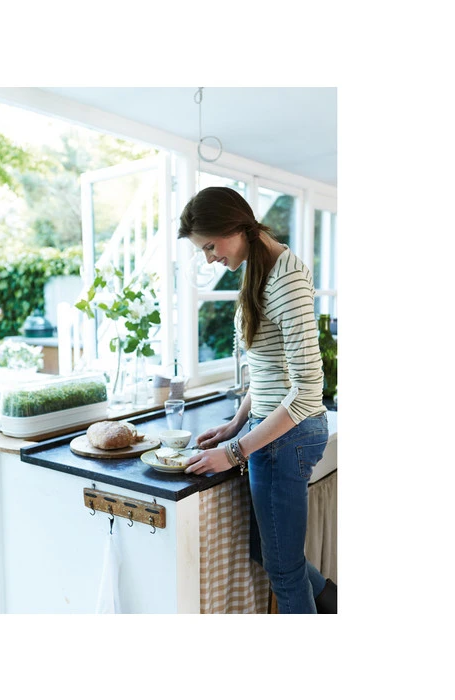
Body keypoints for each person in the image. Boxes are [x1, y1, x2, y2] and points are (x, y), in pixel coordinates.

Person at [178, 186, 337, 614]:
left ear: (235, 227)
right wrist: (236, 424)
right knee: (270, 556)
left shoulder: (286, 279)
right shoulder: (259, 268)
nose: (209, 259)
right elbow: (268, 367)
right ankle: (335, 603)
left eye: (210, 246)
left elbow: (306, 390)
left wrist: (234, 452)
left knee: (284, 572)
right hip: (272, 430)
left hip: (288, 436)